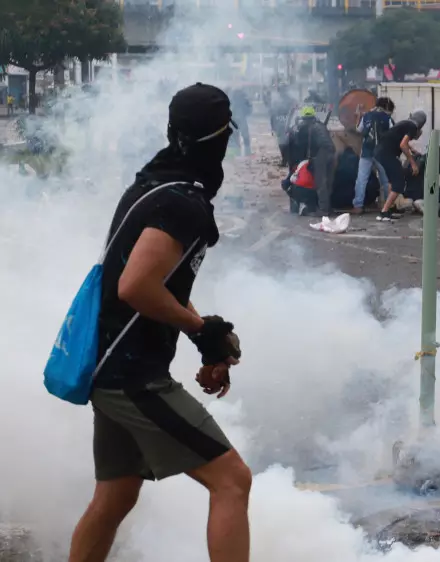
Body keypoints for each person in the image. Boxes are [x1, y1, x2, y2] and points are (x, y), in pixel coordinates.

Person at [68, 83, 250, 562]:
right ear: (222, 139)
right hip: (132, 376)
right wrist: (199, 329)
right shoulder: (181, 203)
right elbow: (136, 286)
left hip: (111, 366)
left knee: (116, 495)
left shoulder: (152, 185)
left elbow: (157, 284)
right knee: (232, 481)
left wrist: (206, 336)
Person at [376, 110, 427, 222]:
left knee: (392, 182)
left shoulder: (405, 123)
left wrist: (412, 150)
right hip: (388, 154)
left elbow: (400, 140)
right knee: (399, 183)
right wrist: (413, 163)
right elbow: (403, 145)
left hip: (380, 152)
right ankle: (384, 212)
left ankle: (389, 209)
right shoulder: (412, 127)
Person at [286, 106, 335, 217]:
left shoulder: (306, 126)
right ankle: (328, 208)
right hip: (331, 152)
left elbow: (300, 143)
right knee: (328, 181)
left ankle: (323, 210)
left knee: (320, 182)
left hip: (321, 153)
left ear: (304, 118)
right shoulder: (321, 125)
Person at [353, 96, 394, 214]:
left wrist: (358, 116)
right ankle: (388, 206)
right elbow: (393, 134)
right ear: (387, 107)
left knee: (361, 179)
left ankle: (358, 206)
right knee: (385, 180)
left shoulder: (367, 116)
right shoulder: (387, 118)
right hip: (382, 153)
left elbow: (359, 130)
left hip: (367, 152)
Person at [403, 146, 440, 214]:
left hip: (407, 192)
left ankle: (417, 202)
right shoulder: (434, 161)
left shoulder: (417, 158)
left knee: (432, 184)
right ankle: (422, 202)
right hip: (421, 192)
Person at [228, 88, 252, 156]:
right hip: (240, 119)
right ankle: (247, 154)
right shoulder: (243, 97)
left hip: (234, 120)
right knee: (245, 137)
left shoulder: (231, 98)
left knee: (234, 138)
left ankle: (236, 154)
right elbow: (249, 110)